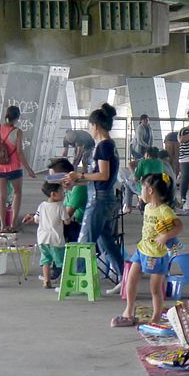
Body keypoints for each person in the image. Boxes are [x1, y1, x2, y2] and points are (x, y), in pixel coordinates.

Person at [63, 104, 123, 294]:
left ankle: (78, 281)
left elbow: (103, 175)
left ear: (95, 125)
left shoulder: (103, 146)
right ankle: (125, 277)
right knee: (106, 242)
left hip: (99, 199)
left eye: (90, 125)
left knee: (84, 240)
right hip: (104, 197)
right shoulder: (109, 145)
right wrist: (77, 180)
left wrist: (80, 176)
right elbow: (101, 177)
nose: (89, 129)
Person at [112, 173, 183, 327]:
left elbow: (179, 226)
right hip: (142, 250)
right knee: (130, 280)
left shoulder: (165, 210)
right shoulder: (147, 207)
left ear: (150, 190)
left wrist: (165, 236)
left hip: (157, 255)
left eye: (142, 188)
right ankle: (128, 311)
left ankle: (156, 317)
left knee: (155, 289)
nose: (140, 192)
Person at [0, 106, 37, 232]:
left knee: (2, 196)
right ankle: (13, 223)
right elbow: (19, 153)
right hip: (14, 167)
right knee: (17, 193)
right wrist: (29, 169)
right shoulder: (17, 132)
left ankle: (3, 225)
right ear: (17, 118)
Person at [23, 182, 71, 290]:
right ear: (53, 194)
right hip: (56, 239)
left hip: (42, 239)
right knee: (61, 261)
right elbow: (67, 221)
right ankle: (65, 281)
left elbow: (36, 220)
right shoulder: (60, 206)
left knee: (46, 260)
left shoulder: (41, 206)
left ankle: (46, 280)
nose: (64, 193)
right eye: (61, 191)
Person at [47, 157, 86, 244]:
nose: (54, 182)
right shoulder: (69, 189)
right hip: (80, 224)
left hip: (84, 227)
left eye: (55, 178)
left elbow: (66, 215)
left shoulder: (78, 188)